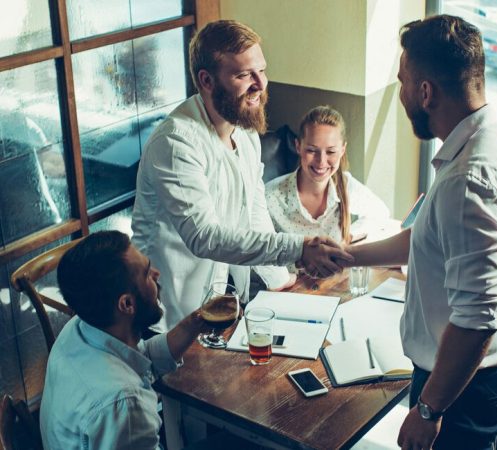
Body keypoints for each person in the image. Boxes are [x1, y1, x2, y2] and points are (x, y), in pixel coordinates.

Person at [341, 15, 497, 449]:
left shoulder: (469, 179)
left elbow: (477, 318)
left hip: (461, 388)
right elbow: (429, 238)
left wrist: (429, 409)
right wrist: (348, 255)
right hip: (486, 374)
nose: (401, 94)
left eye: (403, 83)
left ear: (426, 92)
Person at [131, 20, 352, 331]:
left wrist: (278, 278)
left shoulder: (245, 133)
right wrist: (299, 248)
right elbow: (204, 237)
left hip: (216, 303)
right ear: (207, 81)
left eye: (262, 70)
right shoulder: (175, 143)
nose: (261, 84)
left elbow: (253, 212)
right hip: (164, 311)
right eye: (244, 75)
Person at [40, 231, 207, 450]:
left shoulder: (78, 328)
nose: (156, 274)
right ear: (127, 304)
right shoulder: (124, 405)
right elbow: (123, 387)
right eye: (147, 273)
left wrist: (194, 323)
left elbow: (138, 360)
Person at [265, 106, 390, 256]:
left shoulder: (346, 185)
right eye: (312, 150)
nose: (321, 162)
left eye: (331, 151)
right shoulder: (270, 197)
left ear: (342, 150)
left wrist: (349, 237)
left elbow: (380, 212)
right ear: (298, 146)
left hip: (339, 271)